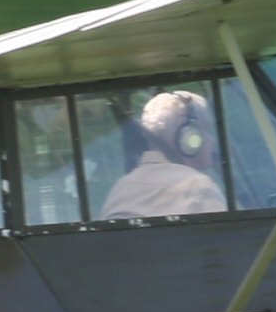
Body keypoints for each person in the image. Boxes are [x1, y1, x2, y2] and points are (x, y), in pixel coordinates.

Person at [98, 90, 228, 219]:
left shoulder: (120, 189)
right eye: (206, 129)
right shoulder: (200, 188)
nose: (212, 140)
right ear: (189, 137)